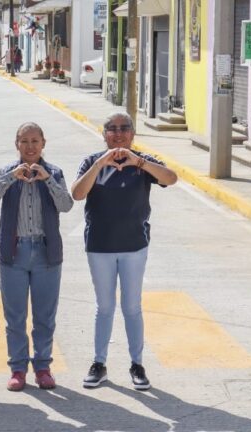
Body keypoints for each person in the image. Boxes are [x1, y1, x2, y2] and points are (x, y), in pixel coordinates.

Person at [70, 112, 177, 391]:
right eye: (112, 129)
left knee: (132, 307)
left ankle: (137, 364)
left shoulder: (143, 162)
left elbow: (171, 178)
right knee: (104, 307)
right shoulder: (92, 162)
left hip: (134, 247)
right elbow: (77, 194)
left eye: (124, 129)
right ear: (103, 134)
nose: (118, 134)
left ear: (132, 133)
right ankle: (99, 364)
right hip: (100, 247)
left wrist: (138, 161)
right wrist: (99, 164)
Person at [0, 122, 73, 391]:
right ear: (16, 144)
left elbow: (66, 205)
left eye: (35, 141)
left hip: (46, 253)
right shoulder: (7, 172)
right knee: (15, 317)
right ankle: (18, 368)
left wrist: (48, 179)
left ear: (43, 143)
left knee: (45, 316)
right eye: (25, 141)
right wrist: (10, 177)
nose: (30, 147)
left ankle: (43, 366)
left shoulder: (54, 172)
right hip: (14, 252)